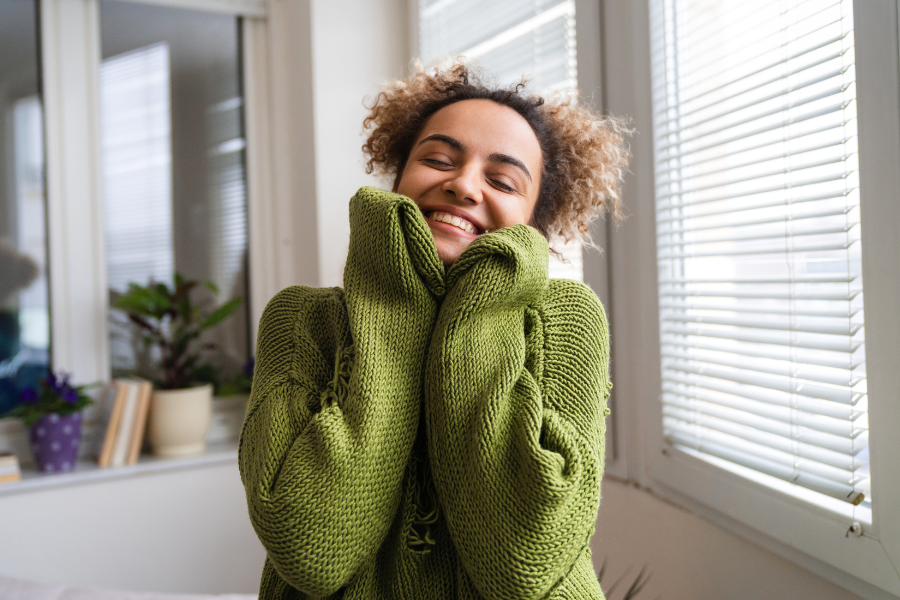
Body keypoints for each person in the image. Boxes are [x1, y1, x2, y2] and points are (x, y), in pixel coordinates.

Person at [238, 62, 630, 599]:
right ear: (398, 178)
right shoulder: (299, 319)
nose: (464, 186)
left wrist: (481, 307)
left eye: (502, 181)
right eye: (439, 160)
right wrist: (395, 302)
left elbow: (523, 562)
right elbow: (309, 548)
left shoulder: (570, 318)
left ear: (534, 223)